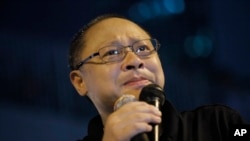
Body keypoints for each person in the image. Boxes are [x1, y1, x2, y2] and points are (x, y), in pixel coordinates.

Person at [68, 14, 247, 141]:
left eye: (143, 49)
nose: (135, 61)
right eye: (112, 52)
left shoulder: (220, 125)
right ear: (80, 82)